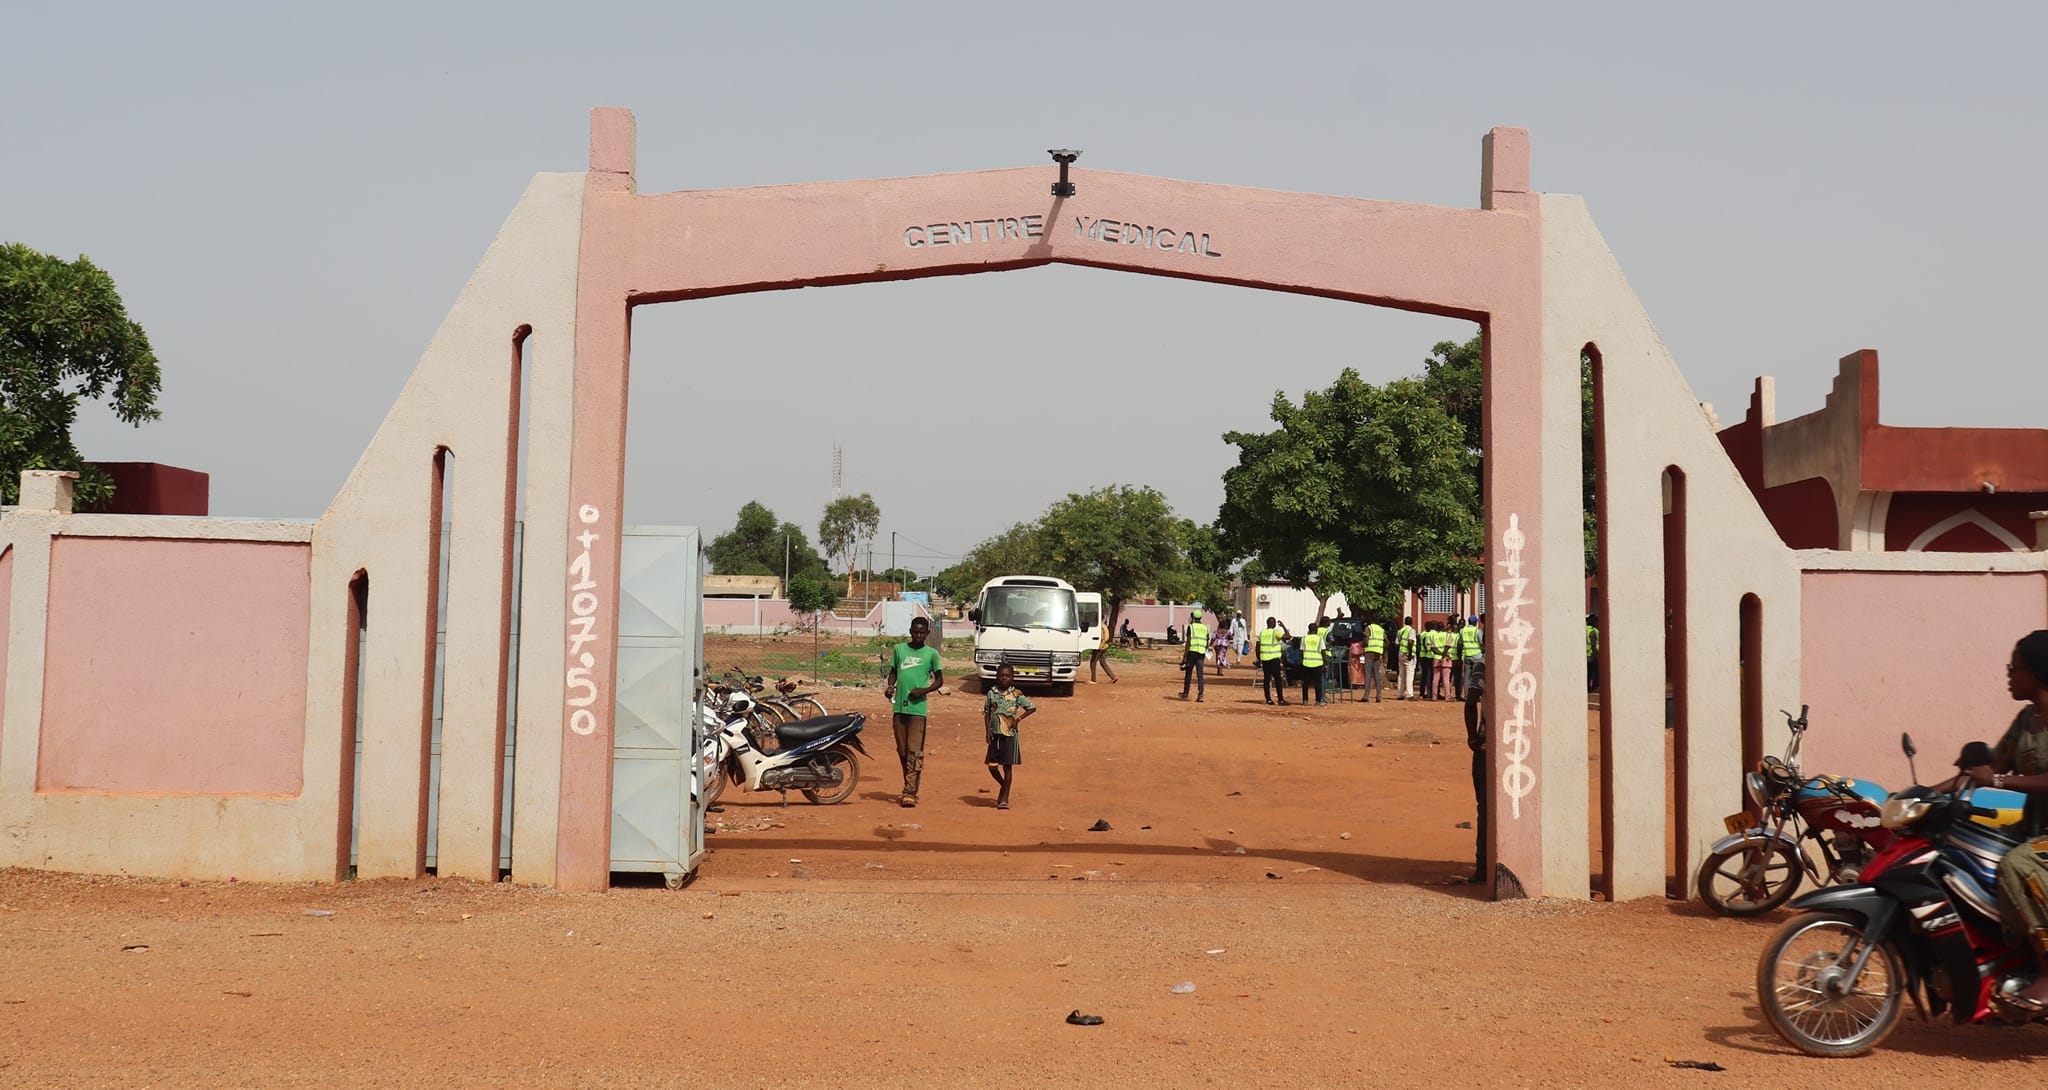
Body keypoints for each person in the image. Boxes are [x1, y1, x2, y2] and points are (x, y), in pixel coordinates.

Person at [1958, 631, 2048, 1011]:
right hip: (2033, 830)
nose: (2009, 676)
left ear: (2038, 672)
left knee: (2017, 864)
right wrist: (1923, 793)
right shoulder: (2027, 719)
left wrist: (1997, 782)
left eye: (2015, 669)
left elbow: (1997, 776)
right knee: (1974, 848)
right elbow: (1991, 766)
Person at [885, 616, 943, 809]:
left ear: (927, 633)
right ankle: (910, 784)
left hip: (918, 710)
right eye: (915, 632)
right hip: (899, 707)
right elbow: (893, 671)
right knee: (902, 751)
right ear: (910, 632)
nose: (918, 635)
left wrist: (923, 691)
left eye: (922, 632)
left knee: (914, 751)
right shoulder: (899, 650)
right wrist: (890, 686)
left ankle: (909, 792)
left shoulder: (931, 654)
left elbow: (939, 680)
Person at [982, 663, 1037, 810]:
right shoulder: (991, 693)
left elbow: (1031, 707)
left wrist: (1018, 719)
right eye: (1001, 676)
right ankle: (1003, 786)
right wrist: (987, 732)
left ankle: (1004, 798)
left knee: (1007, 766)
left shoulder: (1016, 694)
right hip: (994, 734)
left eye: (1007, 676)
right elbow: (987, 713)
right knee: (992, 766)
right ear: (997, 677)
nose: (1004, 679)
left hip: (1010, 735)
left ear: (1012, 678)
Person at [1463, 638, 1489, 883]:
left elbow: (1471, 700)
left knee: (1486, 807)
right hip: (1520, 747)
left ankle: (1483, 866)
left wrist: (1472, 736)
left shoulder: (1484, 664)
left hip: (1485, 746)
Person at [1258, 616, 1290, 705]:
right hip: (1274, 659)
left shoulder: (1262, 632)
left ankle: (1268, 699)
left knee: (1266, 679)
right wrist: (1283, 626)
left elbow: (1258, 646)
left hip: (1264, 658)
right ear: (1274, 624)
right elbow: (1288, 637)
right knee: (1277, 679)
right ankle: (1280, 699)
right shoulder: (1276, 632)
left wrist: (1258, 658)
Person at [1180, 611, 1209, 702]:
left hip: (1192, 652)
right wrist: (1204, 651)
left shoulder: (1191, 627)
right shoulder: (1205, 628)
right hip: (1201, 653)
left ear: (1193, 618)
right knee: (1200, 674)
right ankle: (1201, 695)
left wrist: (1185, 655)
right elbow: (1207, 641)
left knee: (1188, 673)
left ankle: (1185, 693)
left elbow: (1188, 641)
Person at [1299, 620, 1327, 705]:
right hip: (1317, 663)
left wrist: (1304, 659)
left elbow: (1301, 651)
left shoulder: (1304, 638)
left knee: (1306, 683)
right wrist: (1325, 663)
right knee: (1318, 683)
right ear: (1317, 630)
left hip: (1306, 662)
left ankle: (1305, 700)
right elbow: (1323, 651)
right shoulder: (1319, 639)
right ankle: (1318, 701)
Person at [1360, 618, 1386, 703]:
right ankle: (1378, 696)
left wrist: (1363, 645)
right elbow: (1387, 641)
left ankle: (1366, 696)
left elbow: (1366, 639)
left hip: (1369, 652)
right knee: (1376, 675)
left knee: (1368, 675)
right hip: (1378, 653)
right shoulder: (1381, 630)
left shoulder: (1369, 628)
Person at [1089, 612, 1120, 684]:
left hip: (1100, 647)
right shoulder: (1102, 626)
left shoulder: (1102, 626)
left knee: (1093, 662)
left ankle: (1093, 680)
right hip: (1102, 647)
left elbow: (1106, 638)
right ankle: (1113, 677)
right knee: (1103, 663)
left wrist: (1100, 645)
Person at [1396, 616, 1418, 700]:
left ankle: (1400, 694)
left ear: (1404, 622)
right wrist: (1409, 653)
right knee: (1409, 674)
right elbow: (1410, 642)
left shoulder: (1400, 631)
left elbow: (1397, 643)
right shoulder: (1411, 630)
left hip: (1401, 653)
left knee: (1401, 674)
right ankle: (1409, 694)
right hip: (1408, 654)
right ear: (1412, 622)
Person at [1432, 622, 1455, 701]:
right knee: (1446, 679)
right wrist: (1443, 656)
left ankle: (1434, 696)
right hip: (1446, 658)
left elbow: (1433, 649)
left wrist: (1440, 655)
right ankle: (1447, 697)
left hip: (1436, 658)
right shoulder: (1448, 635)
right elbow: (1447, 647)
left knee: (1435, 678)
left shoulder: (1434, 635)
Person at [1585, 613, 1601, 693]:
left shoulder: (1584, 629)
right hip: (1592, 656)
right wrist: (1598, 657)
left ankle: (1588, 689)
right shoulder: (1593, 631)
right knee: (1595, 675)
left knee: (1587, 675)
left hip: (1585, 656)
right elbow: (1593, 646)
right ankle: (1591, 690)